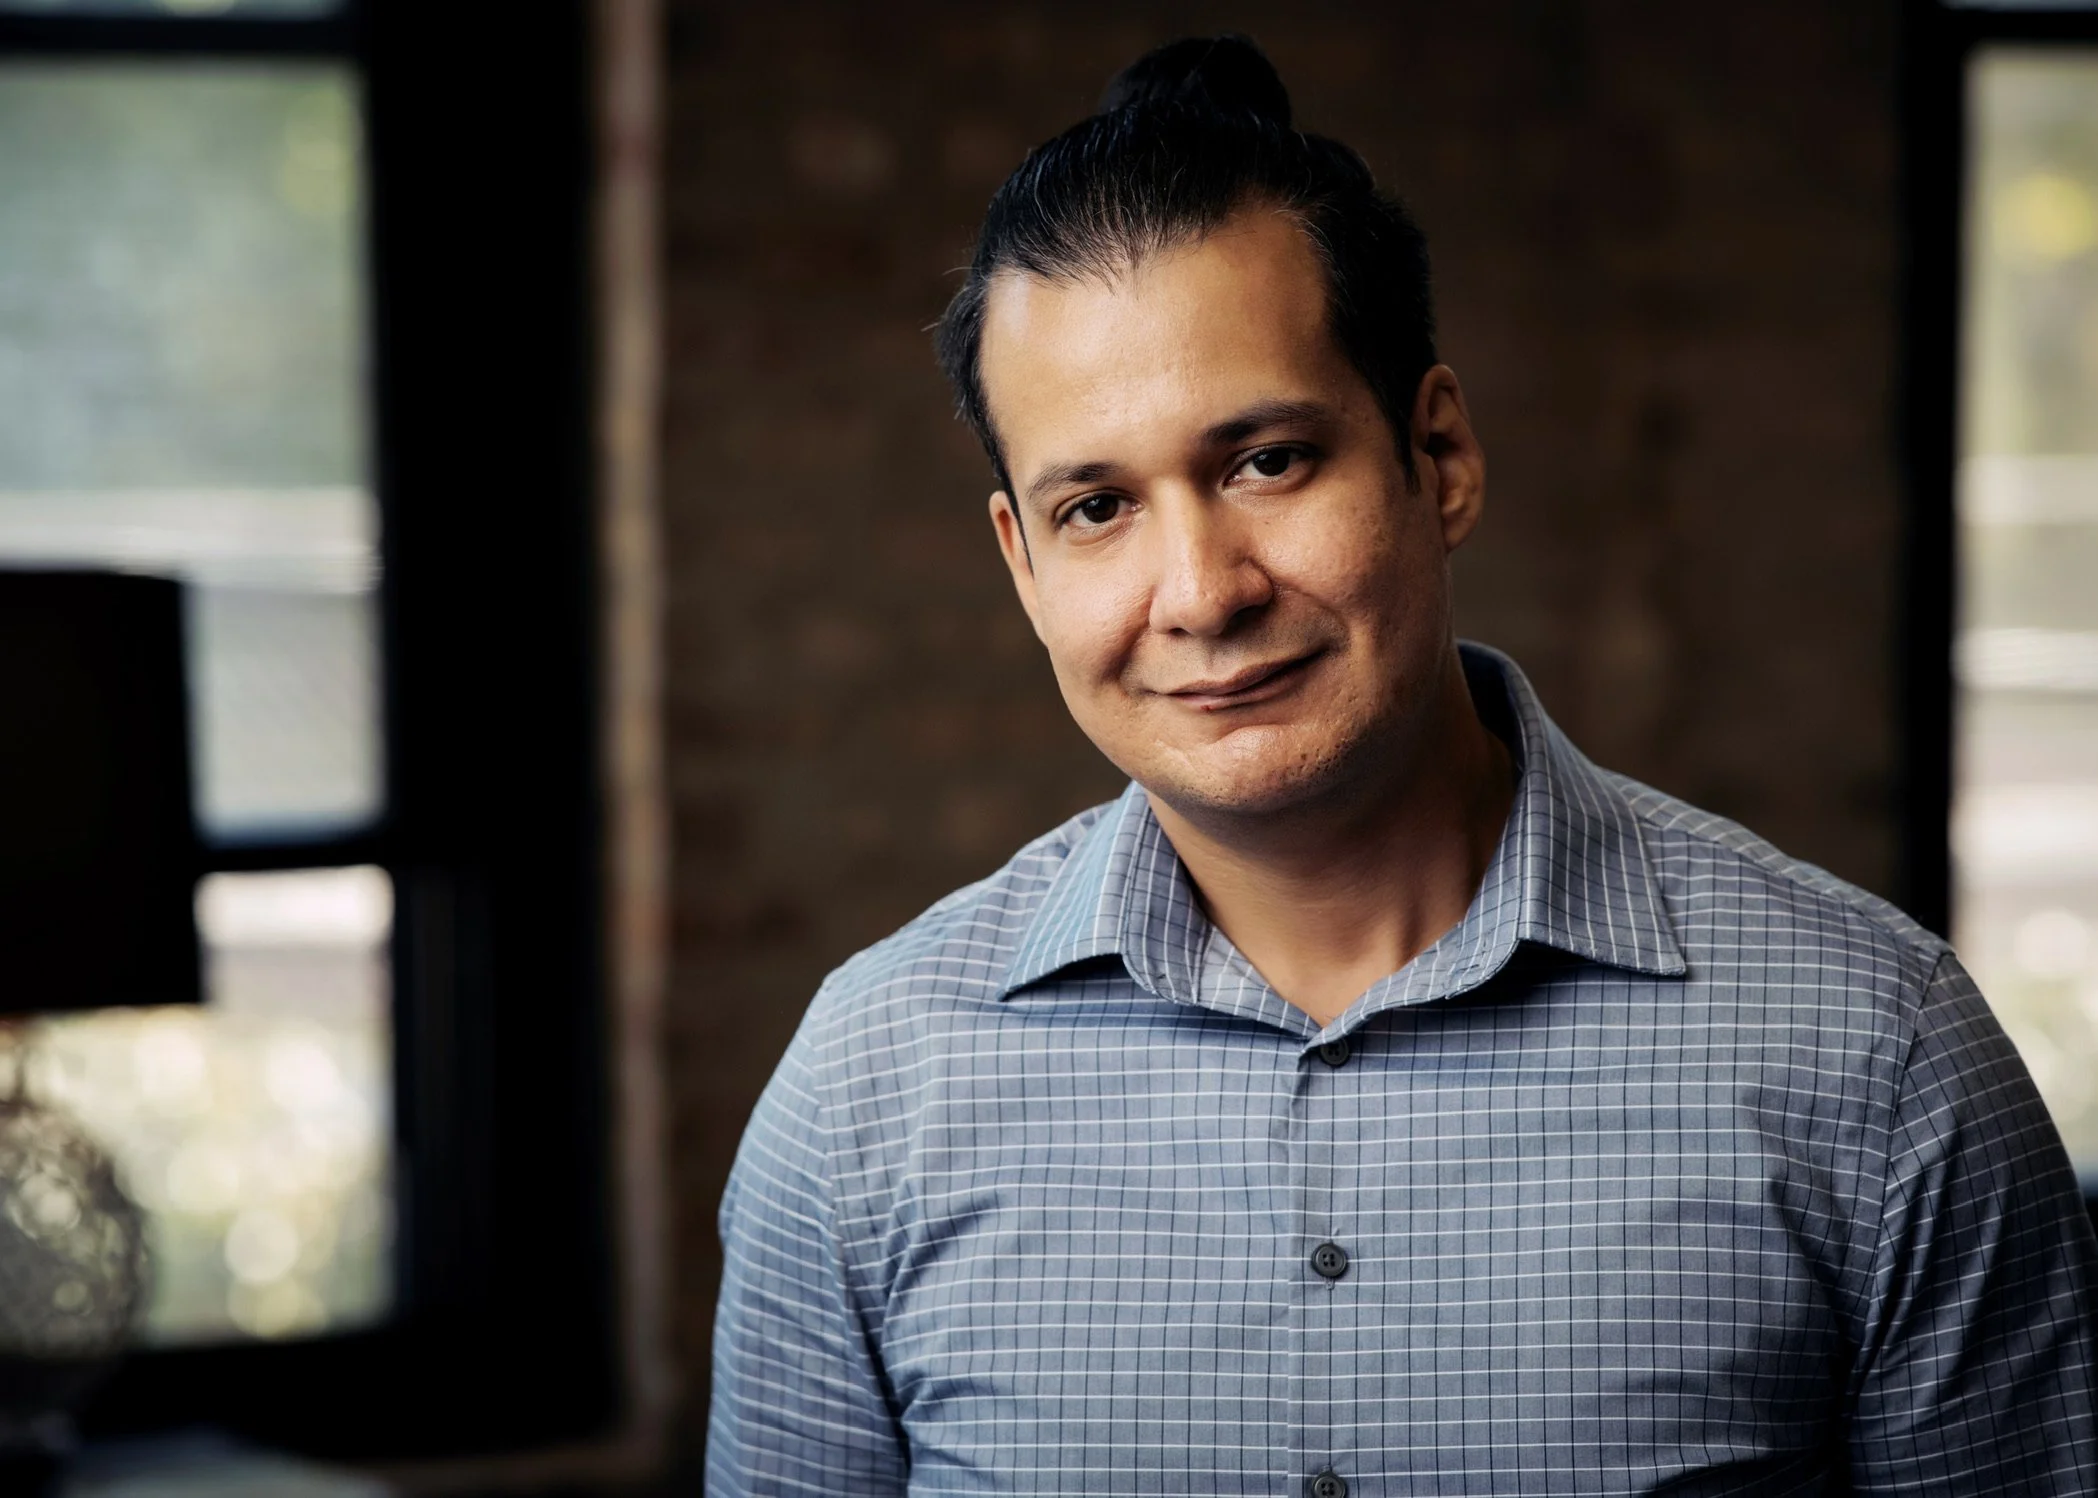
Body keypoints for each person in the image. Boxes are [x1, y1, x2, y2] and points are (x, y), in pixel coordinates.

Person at [709, 34, 2098, 1496]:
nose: (1199, 591)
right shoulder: (864, 1093)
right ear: (1022, 562)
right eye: (1097, 505)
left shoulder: (1876, 1057)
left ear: (1437, 456)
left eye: (1265, 460)